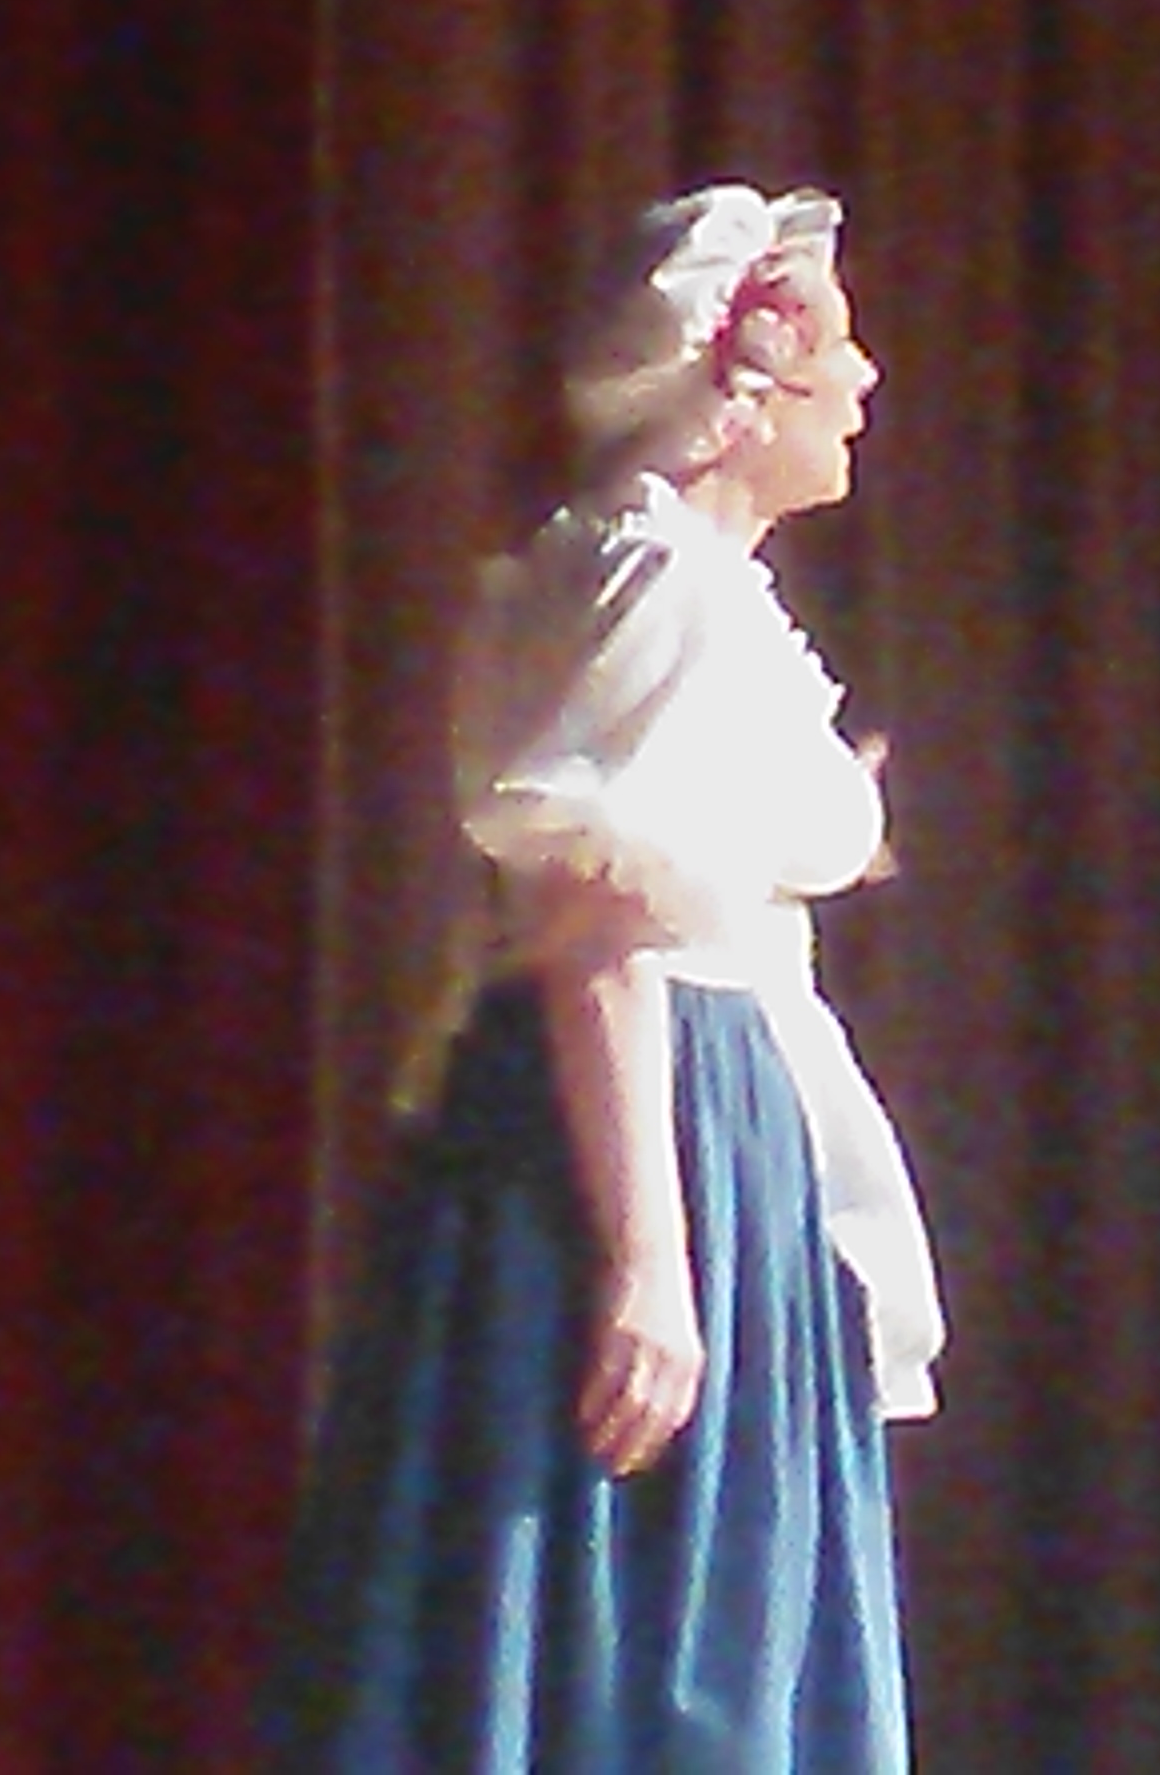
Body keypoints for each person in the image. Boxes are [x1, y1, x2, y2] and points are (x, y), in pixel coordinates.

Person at [260, 183, 940, 1772]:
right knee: (632, 1590)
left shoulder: (678, 581)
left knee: (682, 1603)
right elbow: (598, 925)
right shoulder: (655, 582)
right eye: (834, 350)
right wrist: (650, 1257)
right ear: (741, 387)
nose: (864, 381)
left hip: (711, 1106)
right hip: (654, 1117)